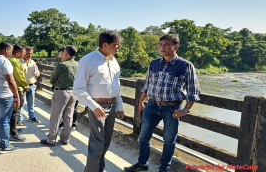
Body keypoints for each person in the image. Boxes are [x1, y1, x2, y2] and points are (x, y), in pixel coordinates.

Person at [124, 34, 200, 172]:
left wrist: (185, 110)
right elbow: (147, 84)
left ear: (175, 47)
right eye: (160, 44)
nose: (162, 47)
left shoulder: (185, 65)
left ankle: (164, 169)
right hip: (152, 106)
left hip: (172, 109)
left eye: (166, 45)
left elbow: (193, 90)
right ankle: (142, 164)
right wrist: (141, 102)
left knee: (169, 141)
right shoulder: (154, 63)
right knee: (143, 137)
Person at [73, 30, 124, 172]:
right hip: (97, 105)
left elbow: (116, 86)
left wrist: (119, 106)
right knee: (97, 142)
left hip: (112, 105)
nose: (118, 47)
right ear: (105, 44)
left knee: (106, 142)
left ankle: (98, 169)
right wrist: (93, 106)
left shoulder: (113, 61)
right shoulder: (88, 60)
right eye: (116, 45)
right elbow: (78, 89)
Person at [41, 45, 79, 147]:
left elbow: (52, 79)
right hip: (73, 92)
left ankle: (51, 139)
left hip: (61, 92)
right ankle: (66, 138)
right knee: (68, 116)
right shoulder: (78, 65)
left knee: (55, 116)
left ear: (66, 52)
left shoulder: (62, 65)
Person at [8, 44, 28, 141]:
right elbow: (19, 76)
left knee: (13, 111)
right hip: (18, 88)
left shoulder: (11, 60)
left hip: (12, 88)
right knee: (16, 111)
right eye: (24, 52)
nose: (24, 54)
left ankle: (12, 129)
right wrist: (25, 85)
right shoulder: (14, 61)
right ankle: (13, 133)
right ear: (18, 53)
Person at [18, 46, 41, 123]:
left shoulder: (33, 62)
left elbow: (37, 71)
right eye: (28, 53)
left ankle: (31, 116)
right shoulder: (19, 62)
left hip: (31, 85)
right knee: (21, 103)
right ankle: (20, 119)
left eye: (31, 53)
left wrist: (37, 73)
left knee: (31, 102)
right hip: (22, 86)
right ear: (24, 53)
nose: (30, 55)